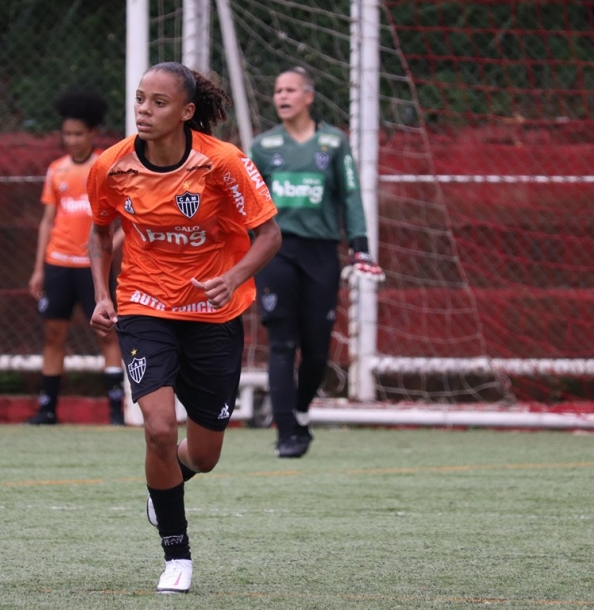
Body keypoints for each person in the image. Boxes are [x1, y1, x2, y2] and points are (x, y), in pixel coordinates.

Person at [87, 62, 280, 594]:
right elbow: (100, 233)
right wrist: (103, 295)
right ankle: (177, 555)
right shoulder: (111, 165)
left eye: (159, 102)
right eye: (140, 99)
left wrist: (234, 276)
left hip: (214, 314)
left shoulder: (223, 164)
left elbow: (269, 235)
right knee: (157, 429)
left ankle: (167, 483)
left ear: (187, 112)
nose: (144, 111)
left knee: (205, 455)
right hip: (144, 305)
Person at [248, 67, 385, 459]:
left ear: (308, 96)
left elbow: (351, 196)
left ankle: (302, 412)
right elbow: (247, 204)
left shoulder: (333, 143)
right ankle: (286, 432)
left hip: (321, 254)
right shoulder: (262, 146)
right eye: (277, 90)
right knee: (281, 343)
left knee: (317, 351)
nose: (282, 96)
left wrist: (360, 244)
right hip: (277, 253)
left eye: (290, 89)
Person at [27, 90, 125, 426]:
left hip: (91, 267)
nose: (72, 140)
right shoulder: (56, 171)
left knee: (106, 333)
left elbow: (129, 220)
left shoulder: (106, 168)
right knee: (53, 334)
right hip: (58, 263)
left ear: (93, 134)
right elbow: (47, 221)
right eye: (67, 133)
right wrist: (39, 268)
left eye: (78, 133)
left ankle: (116, 410)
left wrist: (106, 248)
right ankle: (47, 408)